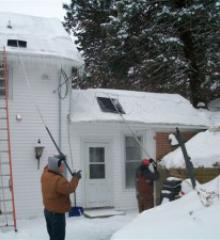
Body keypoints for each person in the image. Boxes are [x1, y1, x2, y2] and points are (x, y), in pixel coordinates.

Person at [41, 155, 81, 240]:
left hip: (48, 212)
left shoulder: (45, 174)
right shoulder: (58, 180)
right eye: (61, 165)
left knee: (53, 236)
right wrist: (76, 178)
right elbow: (70, 188)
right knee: (58, 238)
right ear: (56, 167)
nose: (63, 167)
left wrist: (57, 158)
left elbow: (47, 166)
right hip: (57, 215)